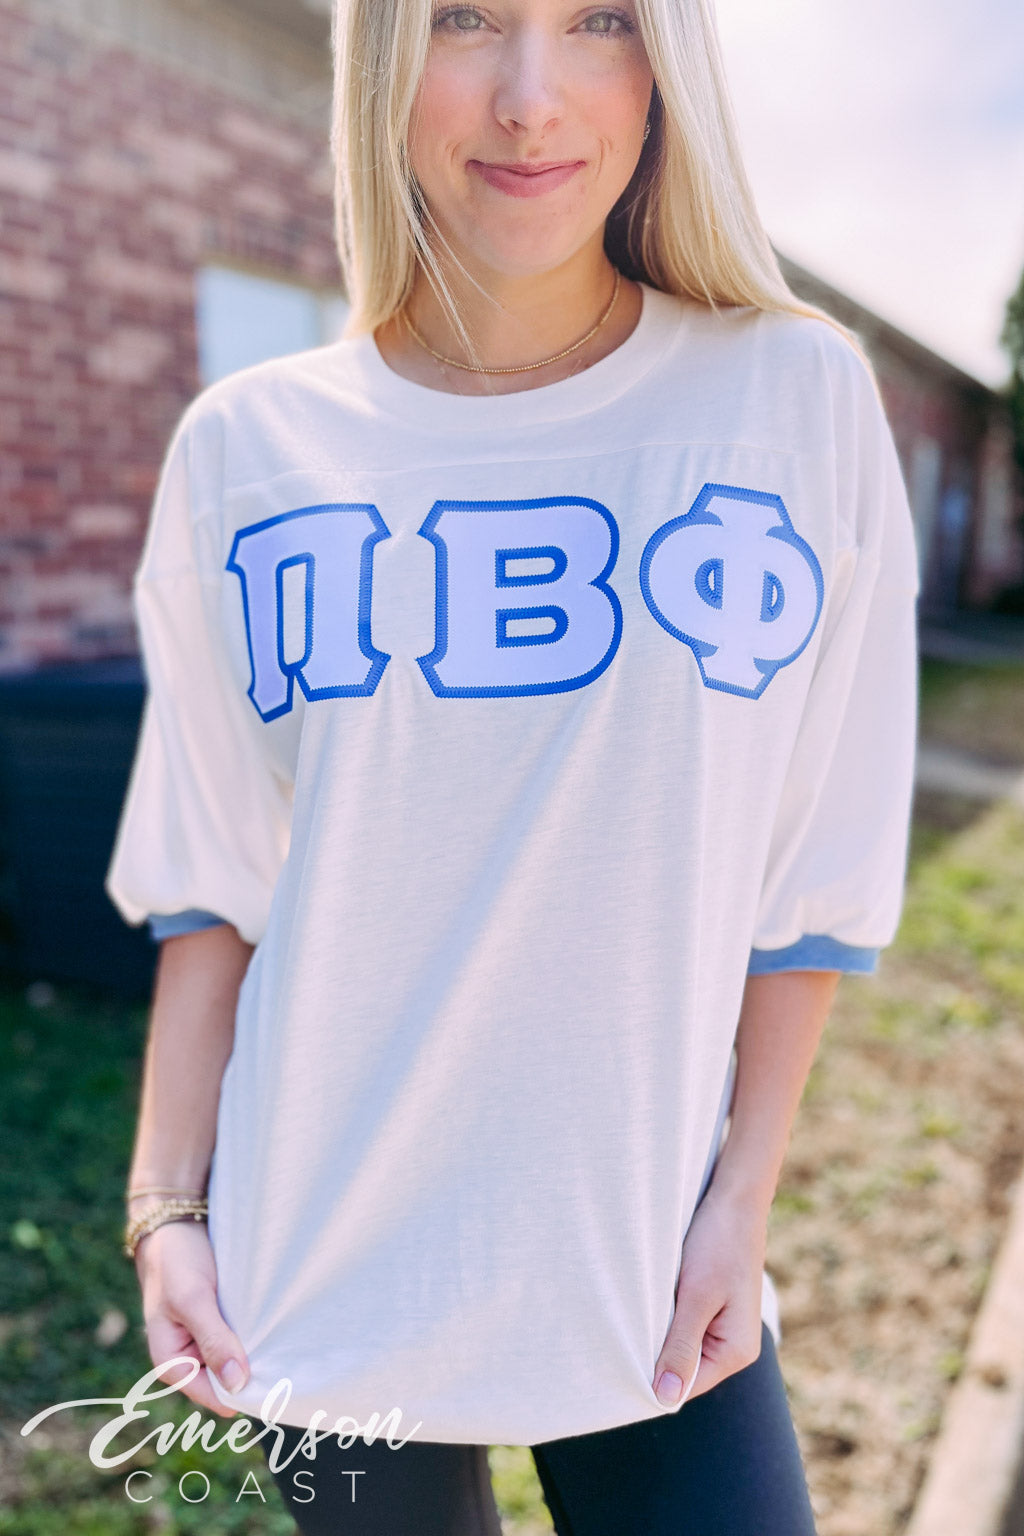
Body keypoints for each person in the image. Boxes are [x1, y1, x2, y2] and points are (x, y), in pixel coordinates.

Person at [106, 0, 920, 1530]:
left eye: (598, 19)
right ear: (381, 59)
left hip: (651, 1266)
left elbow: (813, 873)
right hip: (317, 1274)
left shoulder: (791, 401)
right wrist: (167, 1212)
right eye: (466, 18)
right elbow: (211, 882)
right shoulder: (245, 447)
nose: (531, 98)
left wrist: (741, 1202)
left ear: (665, 65)